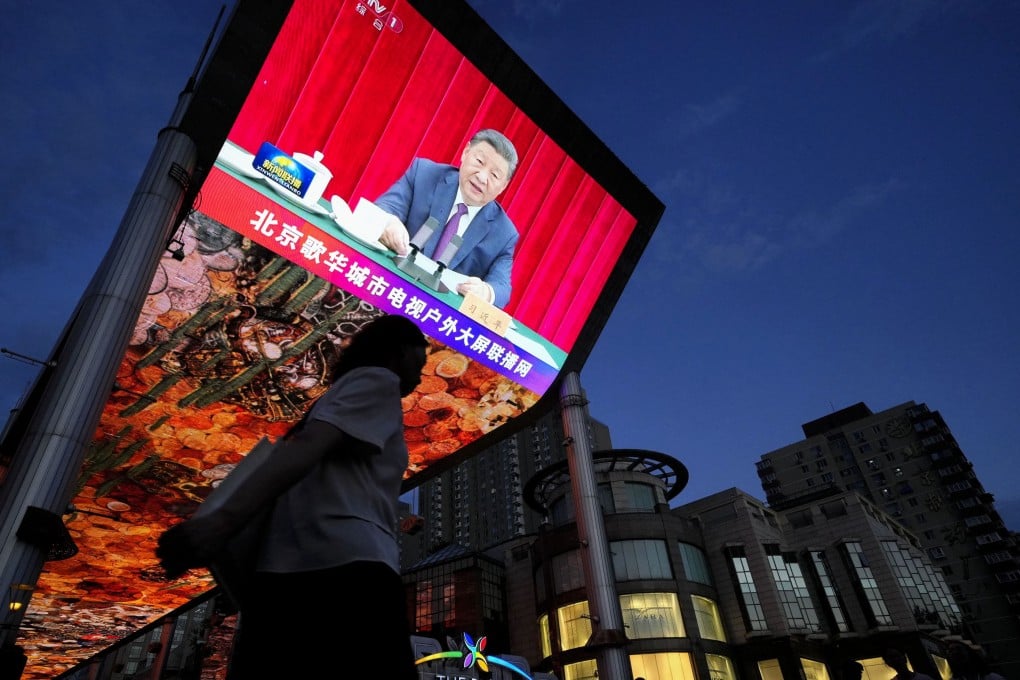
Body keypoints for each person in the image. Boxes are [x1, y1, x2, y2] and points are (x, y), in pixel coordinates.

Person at [156, 313, 428, 679]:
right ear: (397, 351)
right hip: (349, 569)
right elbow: (308, 449)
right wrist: (221, 522)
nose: (420, 374)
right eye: (419, 361)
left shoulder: (333, 398)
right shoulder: (378, 379)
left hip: (281, 576)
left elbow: (301, 459)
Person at [374, 128, 519, 308]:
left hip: (435, 314)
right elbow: (386, 207)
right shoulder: (424, 174)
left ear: (503, 186)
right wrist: (389, 221)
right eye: (479, 161)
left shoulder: (504, 234)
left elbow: (502, 287)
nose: (482, 178)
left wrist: (485, 292)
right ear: (465, 153)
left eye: (494, 175)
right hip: (386, 285)